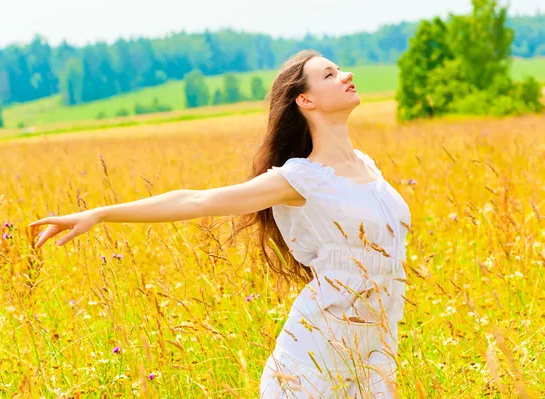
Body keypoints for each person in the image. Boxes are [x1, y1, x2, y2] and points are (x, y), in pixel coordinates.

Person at [29, 49, 411, 398]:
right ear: (305, 100)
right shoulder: (300, 177)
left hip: (375, 347)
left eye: (339, 69)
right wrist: (100, 214)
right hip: (320, 353)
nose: (346, 74)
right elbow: (197, 199)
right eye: (330, 74)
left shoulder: (367, 166)